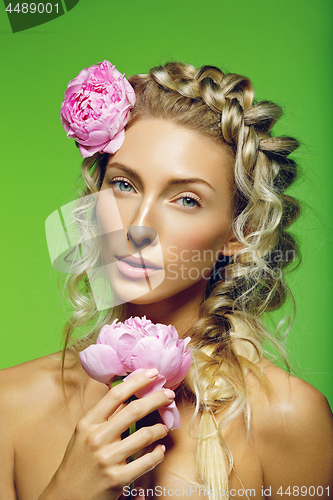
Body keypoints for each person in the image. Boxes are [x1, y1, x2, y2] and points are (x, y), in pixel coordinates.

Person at [0, 60, 332, 500]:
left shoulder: (288, 418)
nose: (138, 225)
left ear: (240, 234)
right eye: (124, 185)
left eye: (187, 200)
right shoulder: (10, 405)